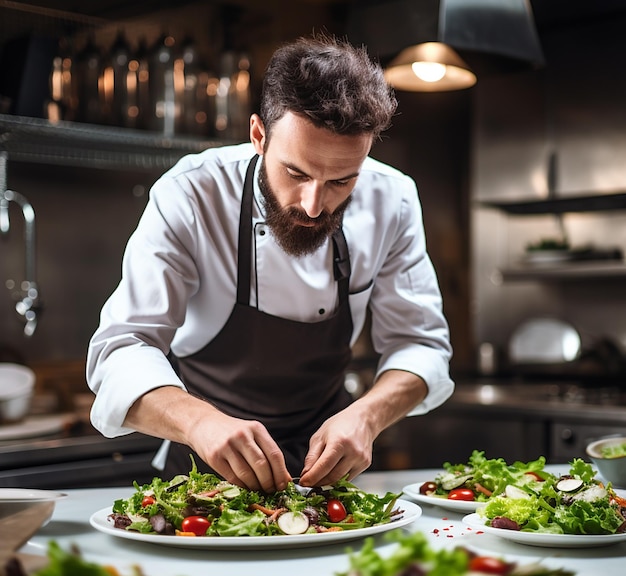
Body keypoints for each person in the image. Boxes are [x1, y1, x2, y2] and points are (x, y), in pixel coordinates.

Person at [86, 33, 454, 492]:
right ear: (258, 135)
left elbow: (421, 345)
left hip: (330, 474)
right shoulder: (191, 193)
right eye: (296, 173)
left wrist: (367, 416)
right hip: (202, 471)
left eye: (341, 181)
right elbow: (121, 349)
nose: (315, 205)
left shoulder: (392, 199)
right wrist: (200, 422)